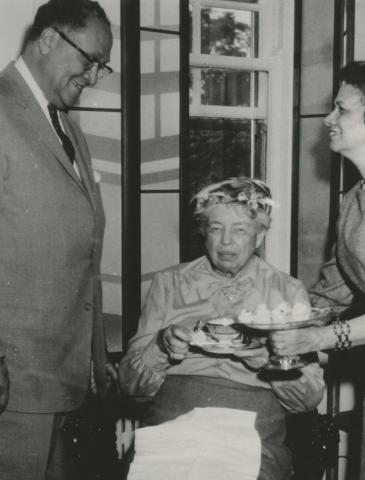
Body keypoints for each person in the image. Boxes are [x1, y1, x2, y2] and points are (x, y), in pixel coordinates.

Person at [119, 178, 325, 480]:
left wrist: (268, 363)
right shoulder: (170, 283)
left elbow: (308, 399)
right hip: (172, 421)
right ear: (204, 232)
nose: (226, 241)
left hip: (253, 424)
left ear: (259, 236)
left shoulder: (287, 290)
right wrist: (161, 347)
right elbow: (130, 387)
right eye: (216, 228)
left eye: (239, 230)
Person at [269, 58, 365, 480]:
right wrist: (273, 325)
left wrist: (318, 338)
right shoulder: (353, 198)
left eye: (341, 110)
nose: (328, 119)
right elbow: (335, 288)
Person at [0, 0, 114, 478]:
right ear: (48, 40)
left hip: (64, 380)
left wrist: (96, 358)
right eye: (89, 61)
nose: (92, 77)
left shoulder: (65, 121)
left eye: (101, 67)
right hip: (13, 384)